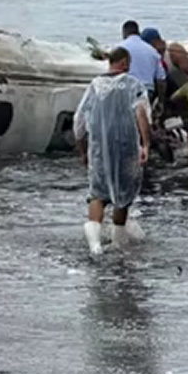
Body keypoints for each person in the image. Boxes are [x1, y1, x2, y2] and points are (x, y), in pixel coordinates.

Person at [73, 47, 152, 256]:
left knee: (97, 194)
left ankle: (95, 245)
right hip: (126, 147)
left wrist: (82, 149)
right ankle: (118, 242)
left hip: (99, 147)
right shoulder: (134, 85)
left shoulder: (95, 85)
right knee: (123, 195)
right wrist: (145, 144)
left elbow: (79, 121)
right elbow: (142, 115)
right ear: (125, 62)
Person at [119, 21, 167, 104]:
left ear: (124, 32)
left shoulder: (119, 48)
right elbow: (161, 79)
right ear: (138, 32)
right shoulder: (152, 51)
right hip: (146, 91)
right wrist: (161, 101)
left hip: (126, 90)